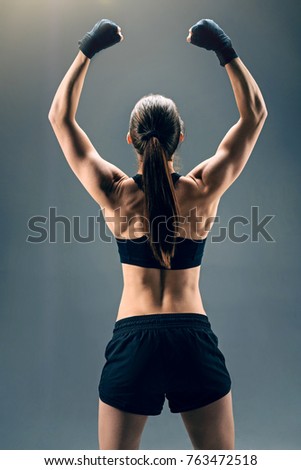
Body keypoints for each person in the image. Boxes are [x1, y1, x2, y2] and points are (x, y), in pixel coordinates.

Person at [48, 18, 267, 450]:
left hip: (133, 340)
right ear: (179, 137)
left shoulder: (114, 193)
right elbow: (255, 114)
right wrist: (224, 47)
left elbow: (60, 118)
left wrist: (86, 50)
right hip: (192, 338)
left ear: (131, 139)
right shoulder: (203, 189)